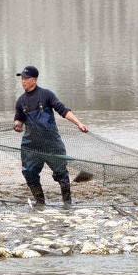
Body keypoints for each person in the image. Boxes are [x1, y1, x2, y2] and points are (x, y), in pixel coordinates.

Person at [12, 66, 88, 207]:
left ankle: (67, 204)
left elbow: (63, 110)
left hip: (52, 143)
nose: (23, 81)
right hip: (30, 145)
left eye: (26, 78)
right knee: (29, 174)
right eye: (22, 78)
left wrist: (79, 123)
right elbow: (19, 119)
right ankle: (40, 203)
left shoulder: (46, 94)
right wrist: (17, 125)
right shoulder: (20, 101)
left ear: (34, 80)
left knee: (62, 175)